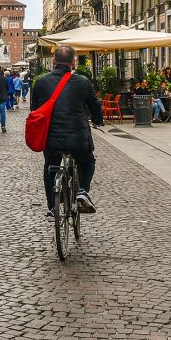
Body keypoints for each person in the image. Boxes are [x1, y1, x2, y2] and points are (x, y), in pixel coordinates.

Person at [31, 45, 103, 217]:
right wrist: (98, 122)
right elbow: (95, 106)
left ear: (54, 61)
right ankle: (82, 191)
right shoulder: (83, 82)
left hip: (52, 138)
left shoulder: (41, 82)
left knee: (51, 166)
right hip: (78, 138)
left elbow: (35, 110)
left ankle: (51, 206)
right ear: (73, 62)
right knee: (87, 162)